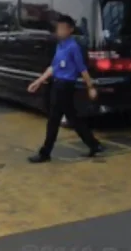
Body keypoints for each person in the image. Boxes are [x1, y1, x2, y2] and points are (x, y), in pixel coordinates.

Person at [26, 15, 103, 163]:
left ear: (70, 30)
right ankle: (94, 144)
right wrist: (39, 81)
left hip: (65, 87)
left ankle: (45, 152)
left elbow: (82, 69)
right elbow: (54, 67)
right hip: (57, 84)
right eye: (58, 28)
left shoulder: (73, 47)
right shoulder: (60, 45)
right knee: (73, 118)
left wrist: (90, 87)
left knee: (54, 120)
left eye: (62, 28)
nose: (59, 31)